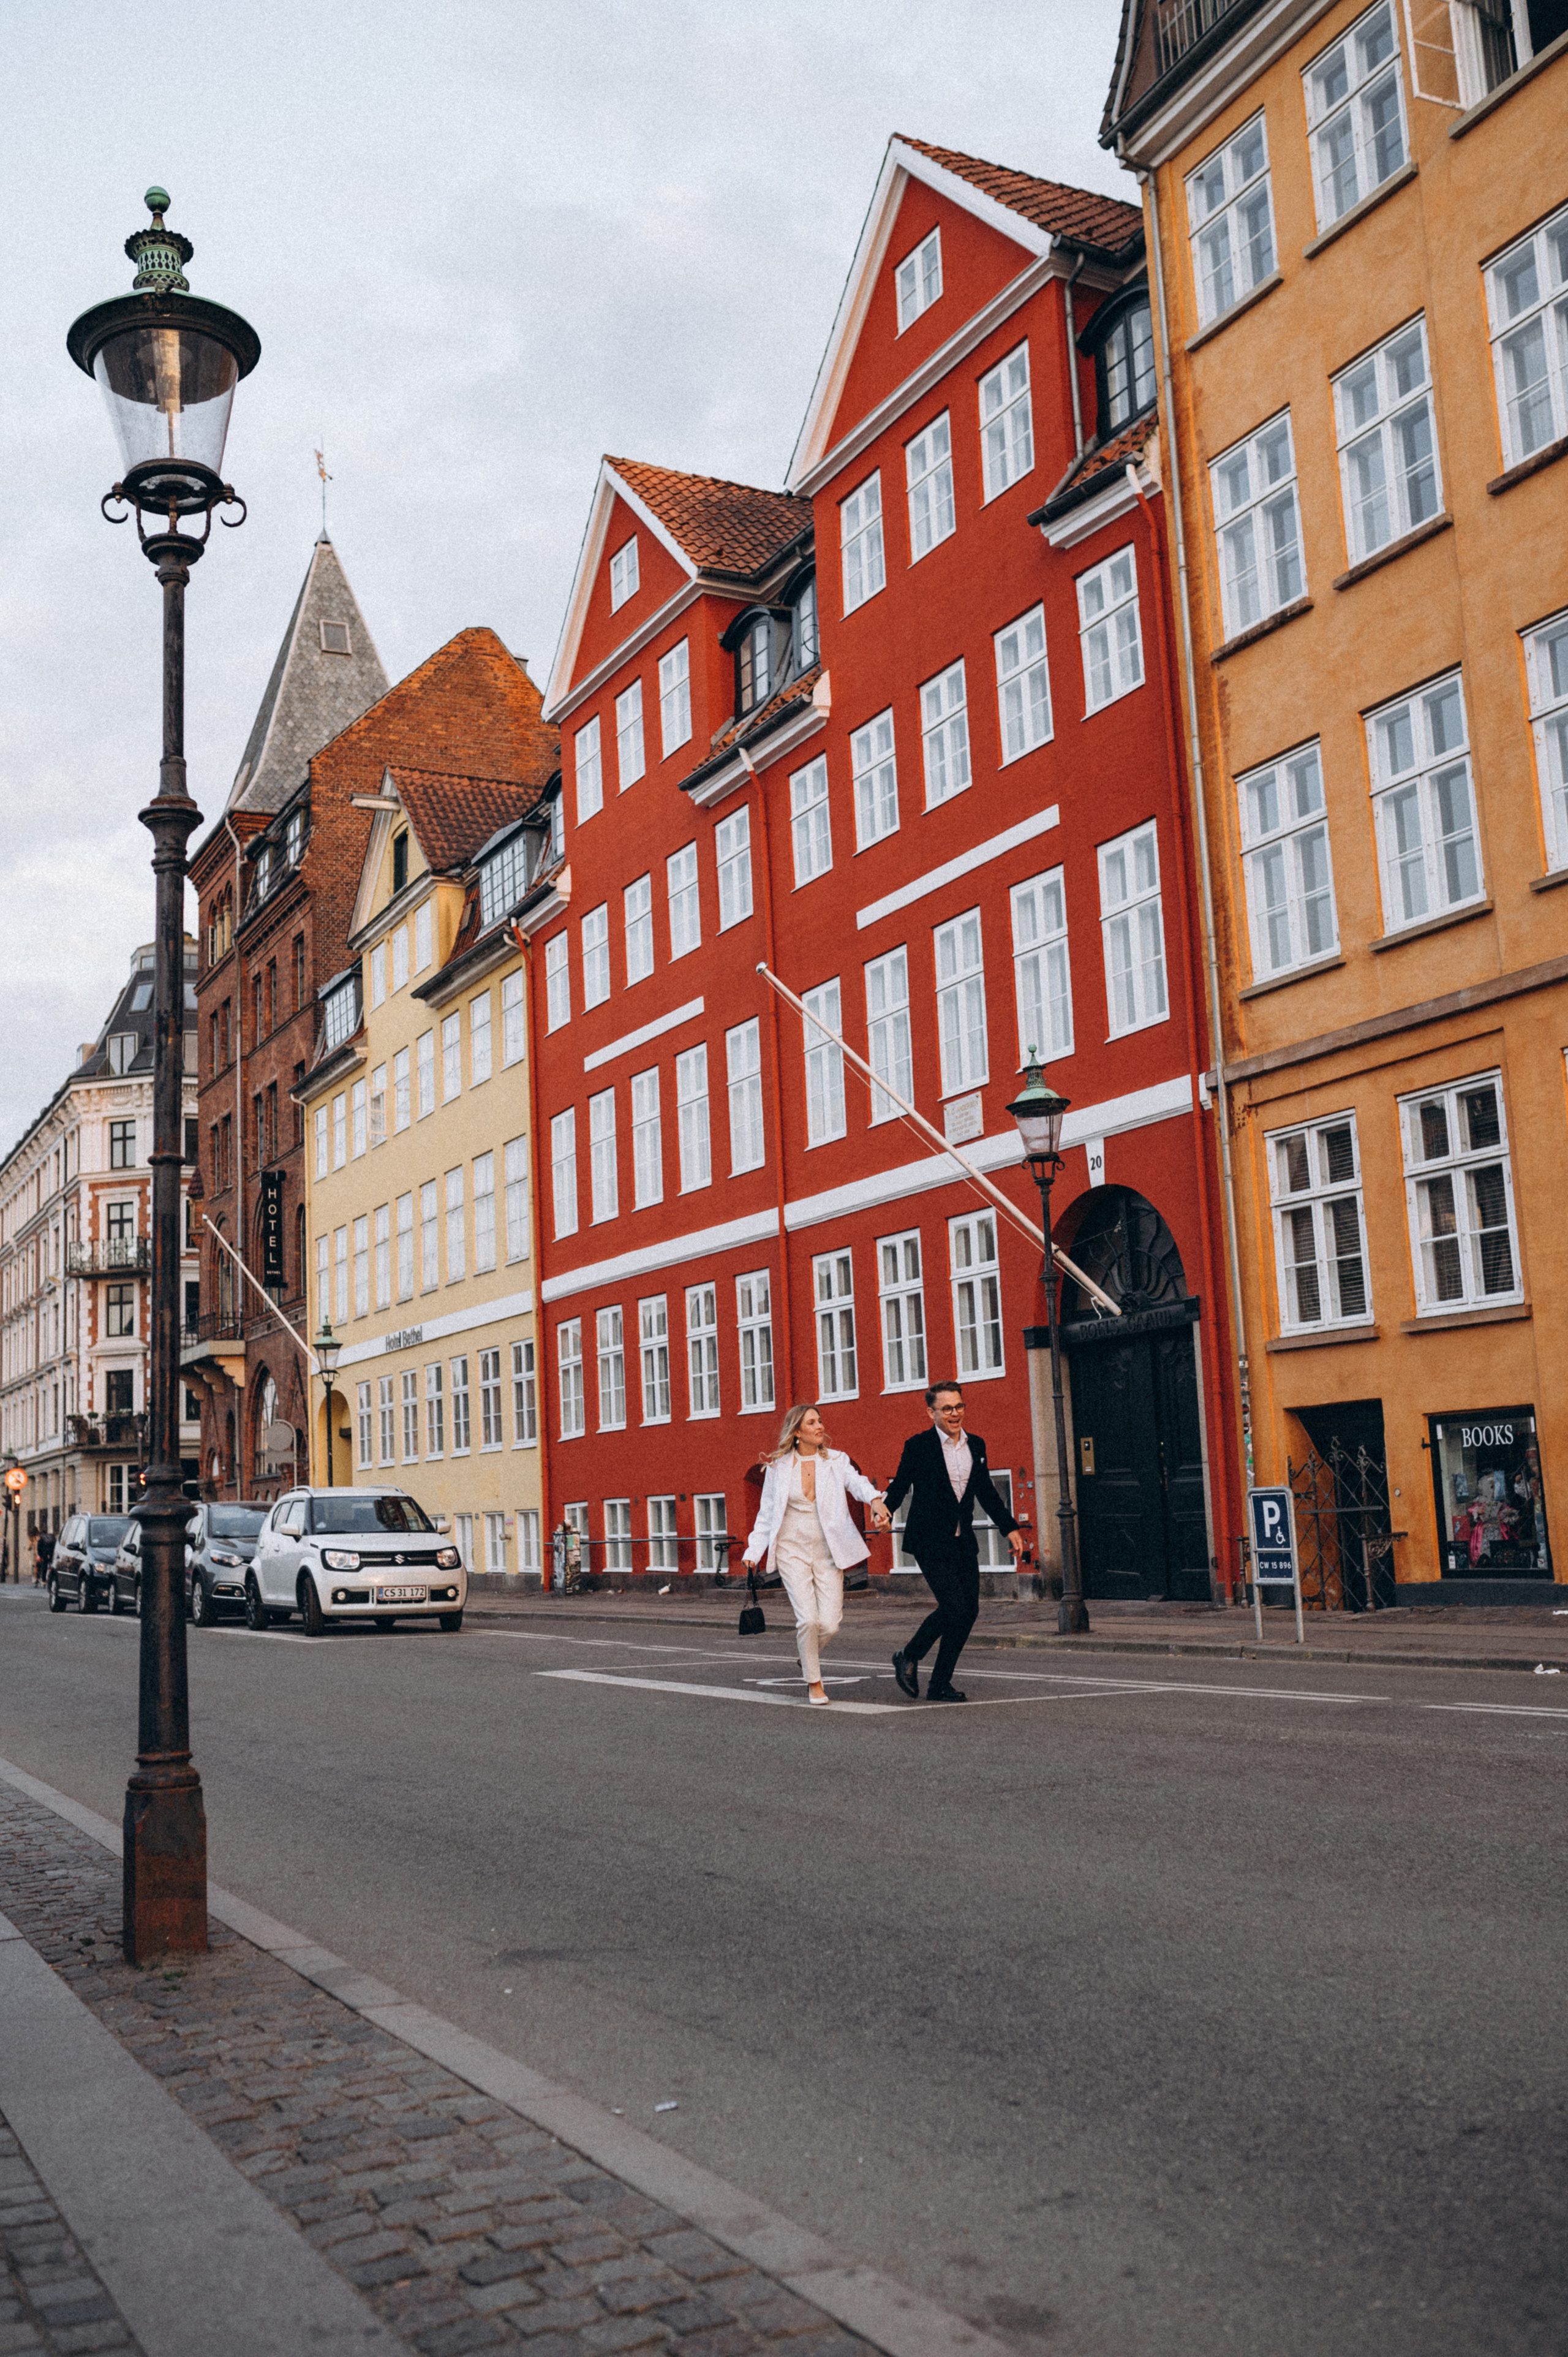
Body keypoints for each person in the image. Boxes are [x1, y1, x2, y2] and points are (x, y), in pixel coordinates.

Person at [742, 1404, 890, 1705]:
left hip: (828, 1550)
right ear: (797, 1432)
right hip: (791, 1549)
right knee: (808, 1620)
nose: (820, 1426)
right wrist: (754, 1550)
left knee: (831, 1623)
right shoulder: (778, 1467)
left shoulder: (836, 1460)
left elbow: (858, 1484)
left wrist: (876, 1502)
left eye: (820, 1421)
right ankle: (814, 1682)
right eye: (812, 1422)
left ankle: (806, 1655)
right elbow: (766, 1513)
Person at [886, 1381, 1023, 1702]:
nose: (954, 1413)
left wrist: (1009, 1528)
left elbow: (986, 1492)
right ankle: (909, 1654)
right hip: (929, 1541)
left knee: (969, 1611)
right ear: (931, 1413)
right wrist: (885, 1511)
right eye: (946, 1408)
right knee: (954, 1607)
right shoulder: (919, 1445)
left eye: (959, 1406)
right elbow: (900, 1485)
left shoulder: (976, 1445)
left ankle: (939, 1684)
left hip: (963, 1540)